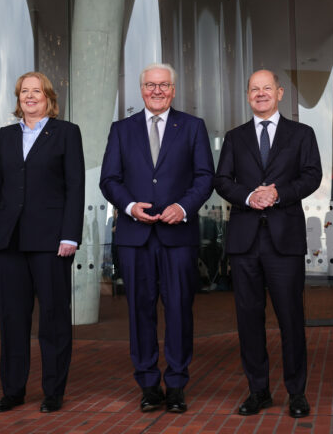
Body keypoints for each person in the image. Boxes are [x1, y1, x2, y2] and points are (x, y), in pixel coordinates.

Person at [99, 63, 214, 414]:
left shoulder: (193, 127)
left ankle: (176, 384)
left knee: (179, 310)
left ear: (174, 90)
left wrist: (183, 207)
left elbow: (205, 176)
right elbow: (109, 179)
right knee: (139, 311)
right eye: (151, 85)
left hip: (178, 236)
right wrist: (130, 206)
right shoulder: (121, 130)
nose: (157, 90)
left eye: (164, 85)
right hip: (135, 236)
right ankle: (148, 385)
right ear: (141, 89)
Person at [214, 69, 322, 418]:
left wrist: (278, 194)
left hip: (284, 240)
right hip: (245, 242)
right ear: (248, 96)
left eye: (266, 89)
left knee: (291, 318)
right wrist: (248, 196)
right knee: (248, 320)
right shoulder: (234, 137)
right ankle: (258, 390)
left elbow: (312, 175)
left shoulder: (301, 134)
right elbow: (222, 180)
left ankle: (296, 392)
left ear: (279, 94)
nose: (260, 94)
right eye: (253, 89)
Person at [0, 71, 84, 413]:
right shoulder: (6, 135)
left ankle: (53, 391)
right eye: (24, 91)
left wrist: (70, 234)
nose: (30, 96)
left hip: (52, 241)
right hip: (8, 241)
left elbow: (75, 187)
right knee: (12, 319)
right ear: (18, 98)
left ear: (48, 97)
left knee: (53, 318)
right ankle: (13, 390)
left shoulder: (66, 133)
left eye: (36, 91)